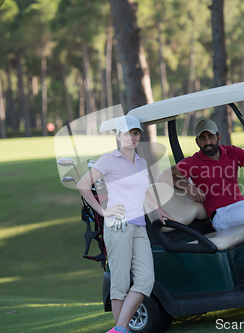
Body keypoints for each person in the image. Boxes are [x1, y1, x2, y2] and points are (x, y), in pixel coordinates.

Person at [77, 115, 174, 333]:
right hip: (117, 227)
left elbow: (144, 192)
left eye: (136, 133)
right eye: (127, 133)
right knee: (119, 283)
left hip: (139, 228)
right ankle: (122, 330)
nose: (132, 137)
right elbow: (83, 185)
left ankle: (119, 328)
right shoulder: (108, 159)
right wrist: (103, 210)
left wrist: (158, 209)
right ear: (118, 136)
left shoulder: (141, 162)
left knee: (146, 280)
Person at [159, 119, 244, 251]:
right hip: (221, 215)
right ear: (197, 141)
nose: (207, 142)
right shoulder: (193, 162)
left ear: (218, 137)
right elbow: (163, 175)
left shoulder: (232, 152)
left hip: (241, 206)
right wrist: (188, 186)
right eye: (202, 138)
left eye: (211, 137)